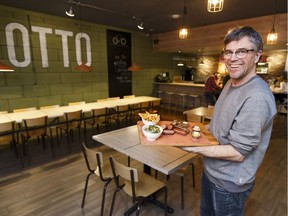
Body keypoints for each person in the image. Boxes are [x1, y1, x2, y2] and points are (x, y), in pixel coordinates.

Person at [182, 26, 277, 216]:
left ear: (257, 56)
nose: (232, 58)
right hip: (211, 171)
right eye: (228, 52)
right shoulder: (230, 83)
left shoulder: (257, 96)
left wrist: (189, 146)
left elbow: (238, 152)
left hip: (229, 183)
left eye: (242, 51)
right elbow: (219, 124)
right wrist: (194, 130)